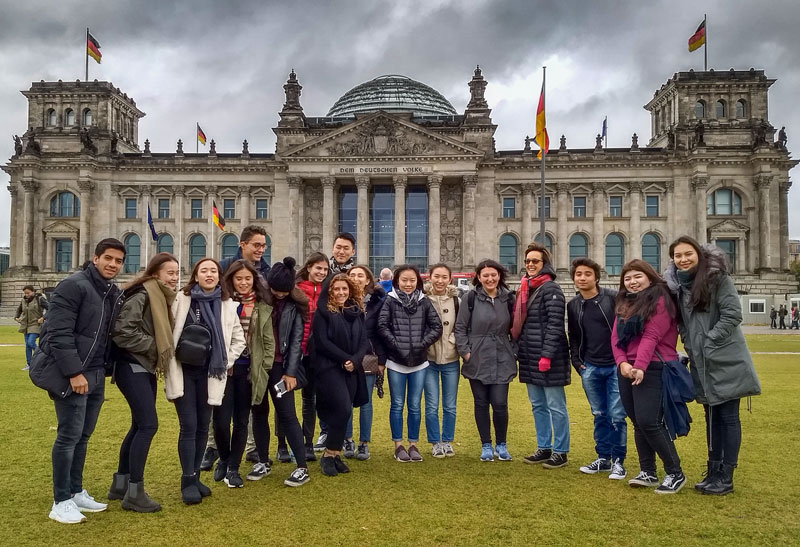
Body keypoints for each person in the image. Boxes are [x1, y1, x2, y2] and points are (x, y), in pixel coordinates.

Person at [34, 238, 125, 524]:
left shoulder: (110, 291)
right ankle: (60, 500)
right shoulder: (74, 285)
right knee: (68, 436)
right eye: (108, 258)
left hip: (96, 373)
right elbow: (58, 333)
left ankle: (75, 492)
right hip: (74, 374)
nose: (113, 264)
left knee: (83, 437)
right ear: (95, 258)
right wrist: (74, 373)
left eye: (118, 261)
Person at [666, 236, 761, 495]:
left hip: (725, 359)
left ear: (698, 254)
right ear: (672, 259)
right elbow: (684, 323)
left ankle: (726, 476)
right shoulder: (678, 287)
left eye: (688, 254)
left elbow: (733, 315)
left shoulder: (719, 279)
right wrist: (690, 345)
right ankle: (714, 470)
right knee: (711, 417)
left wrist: (709, 342)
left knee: (728, 417)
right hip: (700, 361)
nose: (683, 259)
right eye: (678, 256)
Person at [166, 258, 246, 504]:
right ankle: (187, 480)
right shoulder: (181, 300)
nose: (209, 274)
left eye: (213, 271)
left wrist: (225, 361)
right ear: (196, 275)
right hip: (184, 371)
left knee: (203, 426)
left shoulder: (228, 305)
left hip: (211, 374)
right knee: (189, 426)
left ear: (219, 275)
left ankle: (196, 476)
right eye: (204, 271)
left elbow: (238, 341)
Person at [109, 253, 179, 512]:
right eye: (169, 273)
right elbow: (122, 332)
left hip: (143, 366)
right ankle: (134, 492)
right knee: (148, 425)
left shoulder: (158, 295)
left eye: (176, 272)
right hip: (132, 365)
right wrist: (157, 346)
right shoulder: (143, 295)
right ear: (155, 273)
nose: (174, 277)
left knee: (139, 425)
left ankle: (120, 484)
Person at [612, 259, 685, 494]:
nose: (632, 282)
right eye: (628, 278)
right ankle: (648, 471)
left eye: (637, 277)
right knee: (637, 422)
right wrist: (622, 363)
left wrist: (639, 366)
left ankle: (675, 473)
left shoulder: (662, 299)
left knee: (649, 421)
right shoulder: (625, 303)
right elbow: (616, 337)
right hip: (627, 368)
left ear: (650, 277)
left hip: (653, 366)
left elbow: (652, 335)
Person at [203, 225, 270, 470]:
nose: (261, 249)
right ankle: (212, 449)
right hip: (224, 357)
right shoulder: (223, 267)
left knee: (247, 410)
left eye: (264, 245)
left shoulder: (267, 271)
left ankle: (249, 450)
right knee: (219, 410)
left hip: (251, 357)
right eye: (256, 245)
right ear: (243, 244)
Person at [250, 257, 312, 487]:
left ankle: (302, 467)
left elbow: (296, 342)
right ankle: (263, 460)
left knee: (287, 414)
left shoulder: (296, 305)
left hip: (280, 367)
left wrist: (291, 372)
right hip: (257, 365)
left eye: (285, 291)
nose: (280, 295)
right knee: (258, 411)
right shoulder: (259, 299)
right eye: (276, 290)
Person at [567, 258, 628, 480]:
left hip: (615, 366)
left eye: (587, 274)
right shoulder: (573, 305)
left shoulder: (612, 298)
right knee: (599, 414)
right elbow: (573, 336)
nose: (582, 278)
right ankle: (603, 458)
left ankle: (619, 462)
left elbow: (625, 328)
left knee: (616, 415)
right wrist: (577, 362)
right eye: (578, 274)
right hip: (590, 367)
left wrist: (625, 359)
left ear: (596, 277)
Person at [514, 243, 571, 469]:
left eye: (535, 261)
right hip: (530, 356)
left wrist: (546, 356)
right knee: (538, 405)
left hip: (549, 359)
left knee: (556, 406)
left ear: (544, 263)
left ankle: (561, 451)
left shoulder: (551, 289)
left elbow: (555, 326)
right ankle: (544, 446)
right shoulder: (526, 287)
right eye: (528, 261)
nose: (530, 265)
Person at [377, 265, 443, 462]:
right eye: (404, 280)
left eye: (412, 280)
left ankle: (414, 444)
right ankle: (399, 445)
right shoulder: (390, 300)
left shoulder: (424, 301)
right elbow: (382, 325)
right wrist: (396, 344)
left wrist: (422, 344)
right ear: (397, 281)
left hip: (419, 361)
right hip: (396, 361)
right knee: (397, 404)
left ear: (418, 282)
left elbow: (436, 326)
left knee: (414, 405)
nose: (408, 284)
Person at [455, 260, 516, 462]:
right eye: (485, 275)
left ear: (499, 276)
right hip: (477, 356)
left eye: (493, 275)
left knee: (500, 403)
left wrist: (513, 351)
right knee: (481, 403)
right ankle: (486, 444)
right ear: (479, 278)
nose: (490, 279)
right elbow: (460, 328)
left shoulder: (509, 298)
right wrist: (466, 353)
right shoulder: (470, 298)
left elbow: (517, 329)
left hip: (502, 356)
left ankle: (502, 444)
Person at [312, 274, 370, 476]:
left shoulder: (357, 311)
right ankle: (328, 454)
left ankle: (335, 454)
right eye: (336, 289)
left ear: (351, 290)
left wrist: (355, 360)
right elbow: (322, 342)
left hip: (352, 368)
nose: (341, 293)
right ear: (330, 291)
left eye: (344, 289)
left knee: (344, 411)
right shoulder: (323, 313)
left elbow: (364, 340)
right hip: (329, 368)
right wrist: (345, 359)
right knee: (343, 408)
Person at [290, 252, 329, 460]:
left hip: (315, 353)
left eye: (325, 270)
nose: (321, 273)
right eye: (318, 268)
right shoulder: (294, 289)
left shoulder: (327, 291)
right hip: (293, 351)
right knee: (285, 398)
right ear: (308, 268)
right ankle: (282, 445)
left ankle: (307, 443)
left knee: (309, 400)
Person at [346, 264, 387, 460]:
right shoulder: (340, 298)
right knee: (346, 400)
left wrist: (381, 360)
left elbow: (382, 333)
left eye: (360, 275)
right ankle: (347, 440)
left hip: (370, 356)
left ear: (368, 280)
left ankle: (364, 443)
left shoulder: (378, 301)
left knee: (366, 402)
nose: (355, 278)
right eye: (352, 274)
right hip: (345, 356)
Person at [424, 263, 462, 458]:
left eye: (444, 277)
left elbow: (462, 326)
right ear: (430, 277)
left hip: (451, 358)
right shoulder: (422, 299)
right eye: (436, 276)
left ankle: (447, 441)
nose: (439, 280)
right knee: (431, 405)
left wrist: (453, 340)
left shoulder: (457, 301)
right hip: (429, 360)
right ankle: (435, 442)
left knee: (450, 405)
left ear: (450, 279)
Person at [16, 284, 48, 371]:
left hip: (36, 324)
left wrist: (43, 318)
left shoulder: (40, 299)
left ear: (33, 291)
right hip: (25, 325)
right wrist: (16, 317)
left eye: (28, 293)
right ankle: (29, 364)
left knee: (31, 342)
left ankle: (43, 357)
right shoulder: (23, 300)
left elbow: (51, 308)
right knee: (27, 345)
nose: (26, 295)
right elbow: (19, 309)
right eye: (25, 293)